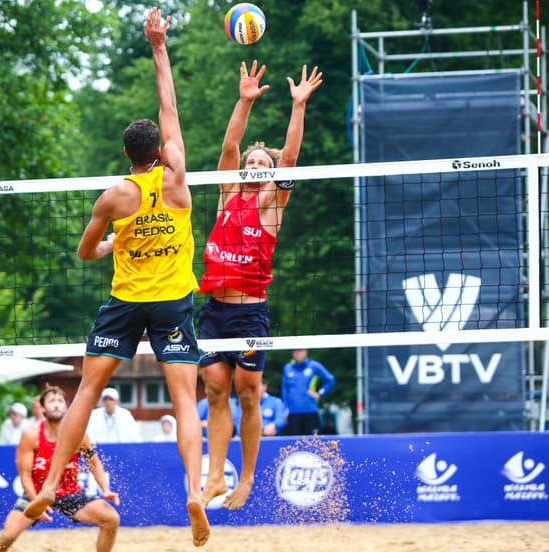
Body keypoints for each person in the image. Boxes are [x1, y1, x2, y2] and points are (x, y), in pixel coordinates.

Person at [24, 8, 209, 546]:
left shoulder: (114, 196)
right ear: (160, 152)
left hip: (126, 301)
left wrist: (108, 243)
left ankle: (54, 481)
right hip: (173, 301)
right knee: (182, 399)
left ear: (126, 155)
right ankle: (194, 491)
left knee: (86, 390)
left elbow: (84, 253)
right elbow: (168, 104)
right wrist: (157, 44)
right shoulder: (178, 180)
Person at [198, 60, 323, 510]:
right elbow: (231, 145)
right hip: (213, 310)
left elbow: (289, 157)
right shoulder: (228, 195)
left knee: (248, 395)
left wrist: (298, 107)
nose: (252, 164)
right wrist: (244, 100)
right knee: (214, 387)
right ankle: (214, 476)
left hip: (249, 313)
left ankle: (246, 477)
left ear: (267, 174)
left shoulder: (271, 205)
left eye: (259, 162)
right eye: (249, 161)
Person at [0, 385, 120, 552]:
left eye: (60, 401)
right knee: (8, 536)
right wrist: (37, 503)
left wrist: (105, 489)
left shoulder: (79, 434)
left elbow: (93, 462)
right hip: (37, 493)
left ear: (66, 406)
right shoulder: (31, 435)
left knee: (111, 519)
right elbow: (25, 476)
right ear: (42, 408)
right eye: (52, 401)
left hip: (70, 492)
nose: (57, 405)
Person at [281, 349, 336, 436]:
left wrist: (320, 393)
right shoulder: (288, 368)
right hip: (293, 412)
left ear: (306, 351)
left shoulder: (314, 366)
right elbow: (284, 390)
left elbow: (330, 380)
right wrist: (284, 409)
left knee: (313, 441)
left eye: (300, 350)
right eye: (295, 351)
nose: (297, 353)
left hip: (310, 410)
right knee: (293, 443)